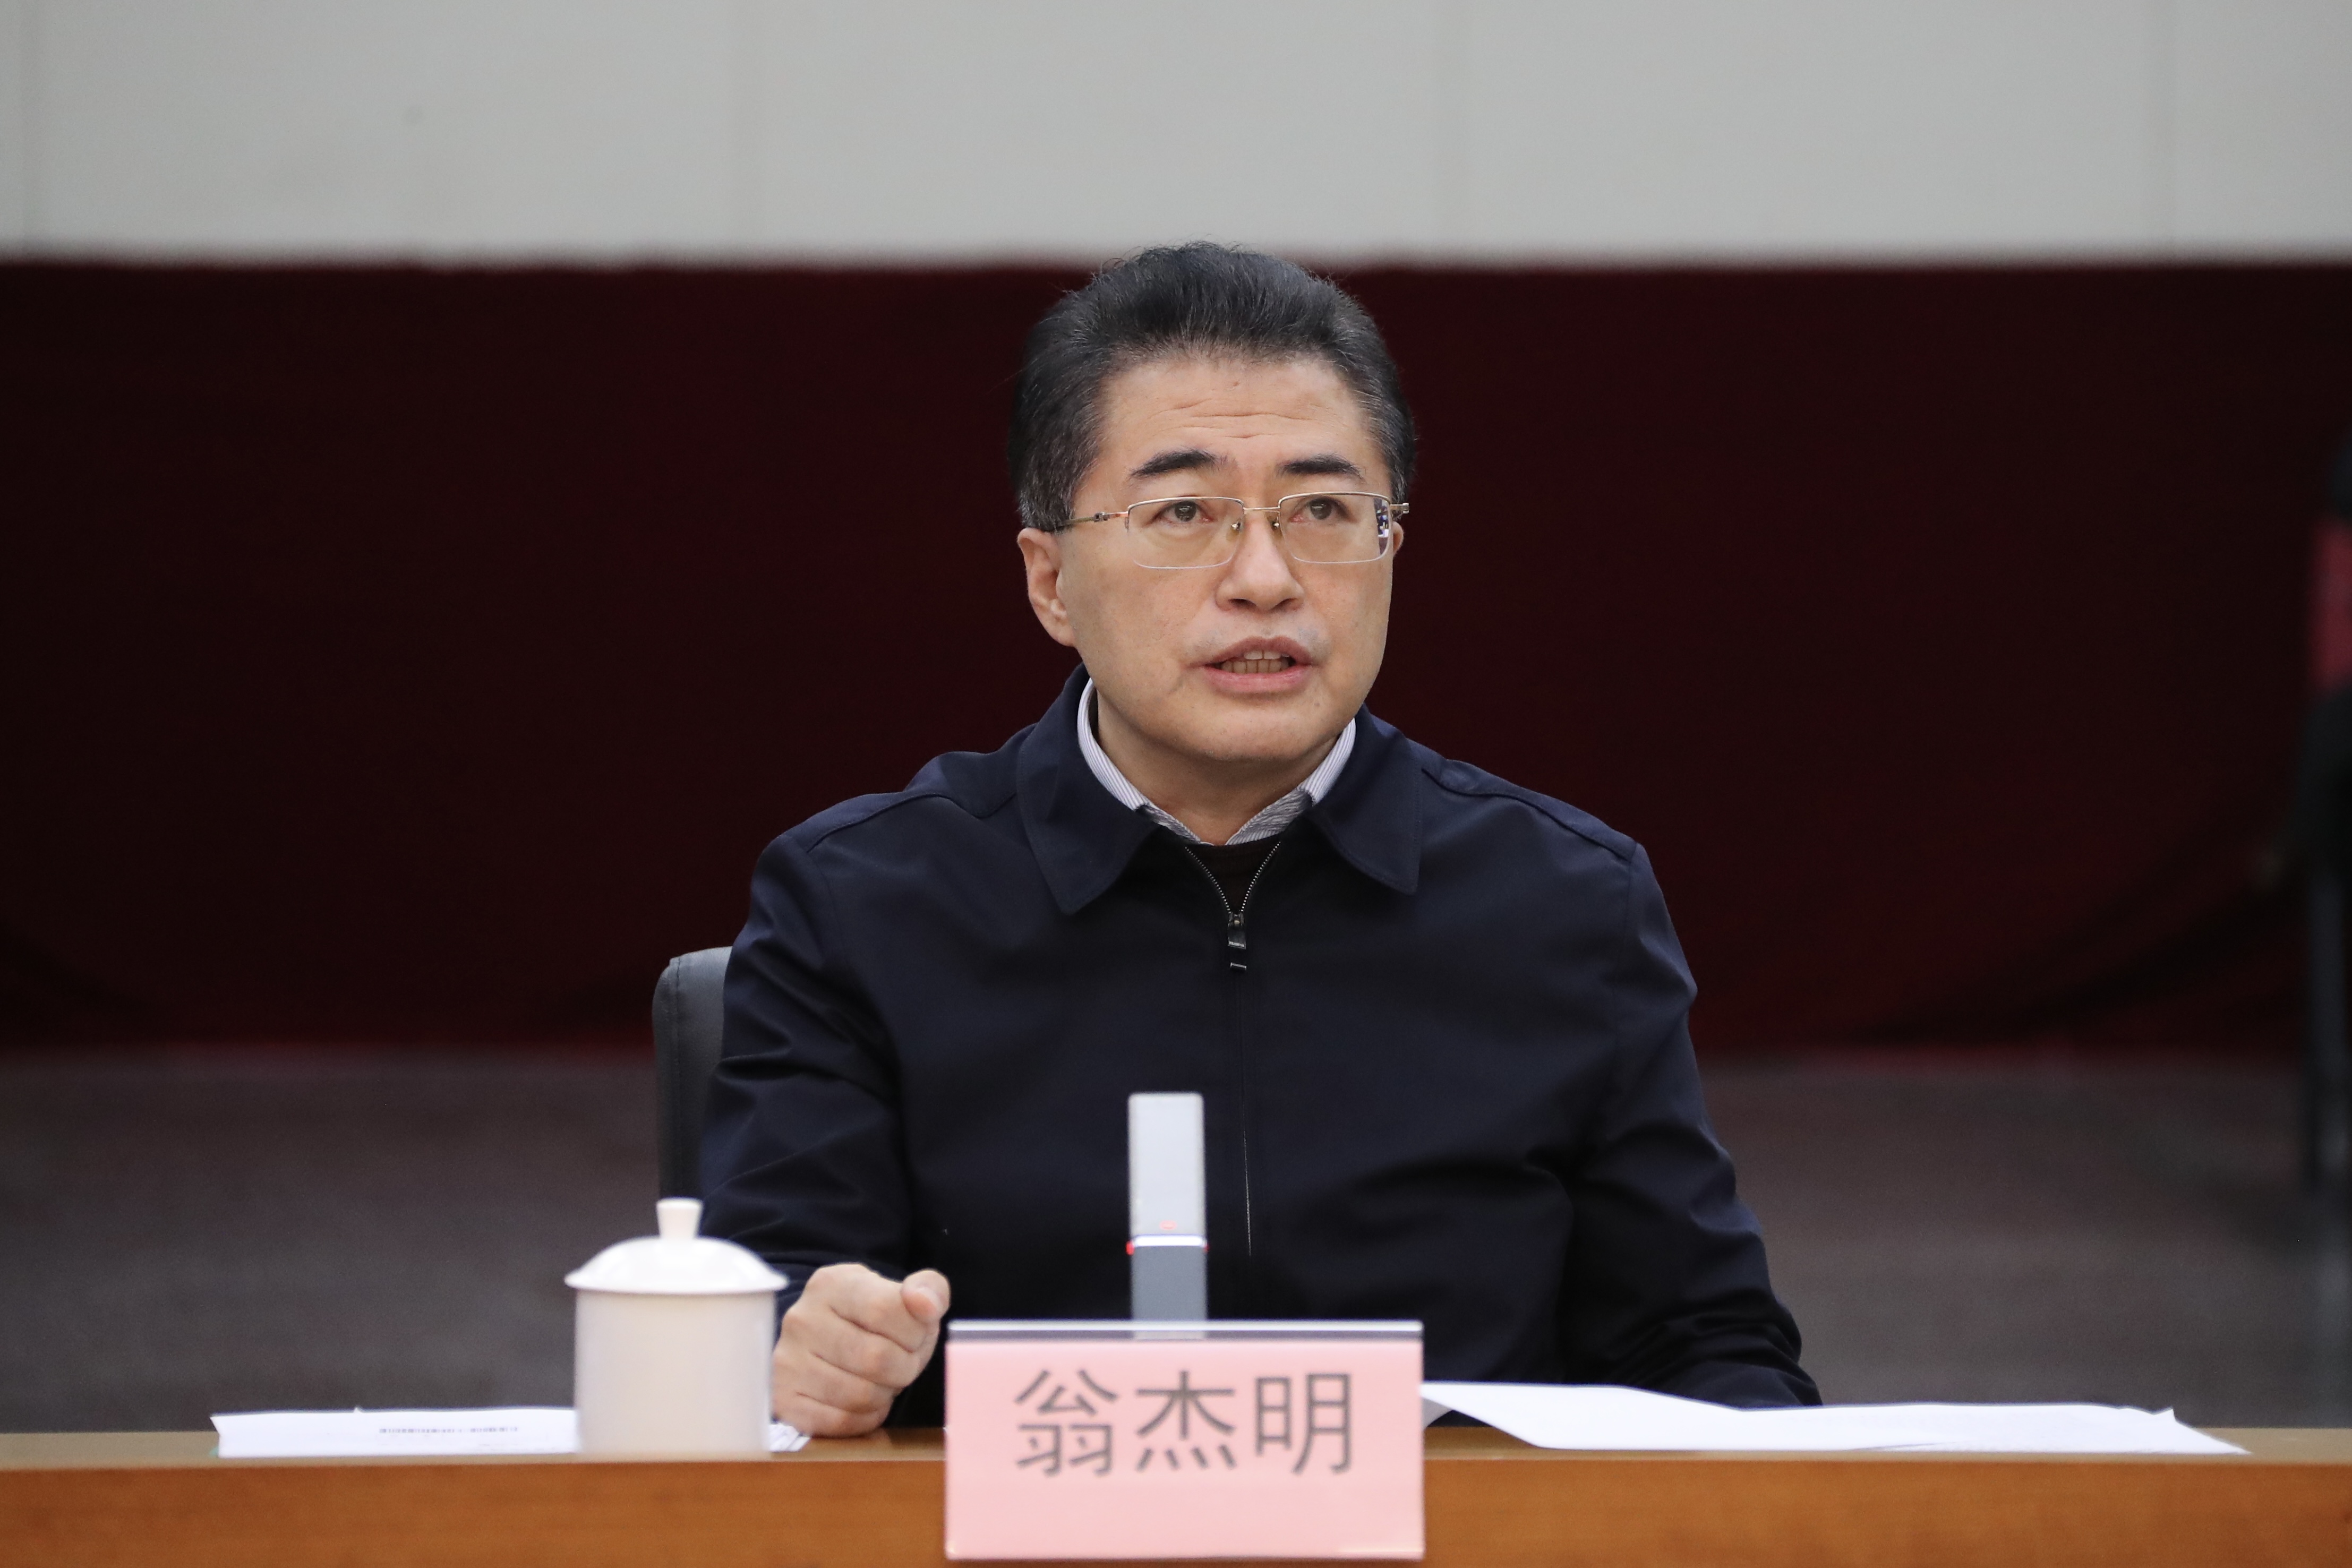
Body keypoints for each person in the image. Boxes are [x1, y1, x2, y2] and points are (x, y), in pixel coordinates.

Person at [702, 243, 1815, 1435]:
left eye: (1324, 510)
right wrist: (805, 1348)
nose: (1265, 579)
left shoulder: (1564, 901)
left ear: (1392, 549)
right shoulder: (864, 903)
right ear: (1050, 580)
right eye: (1183, 512)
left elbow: (1702, 1347)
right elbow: (761, 1323)